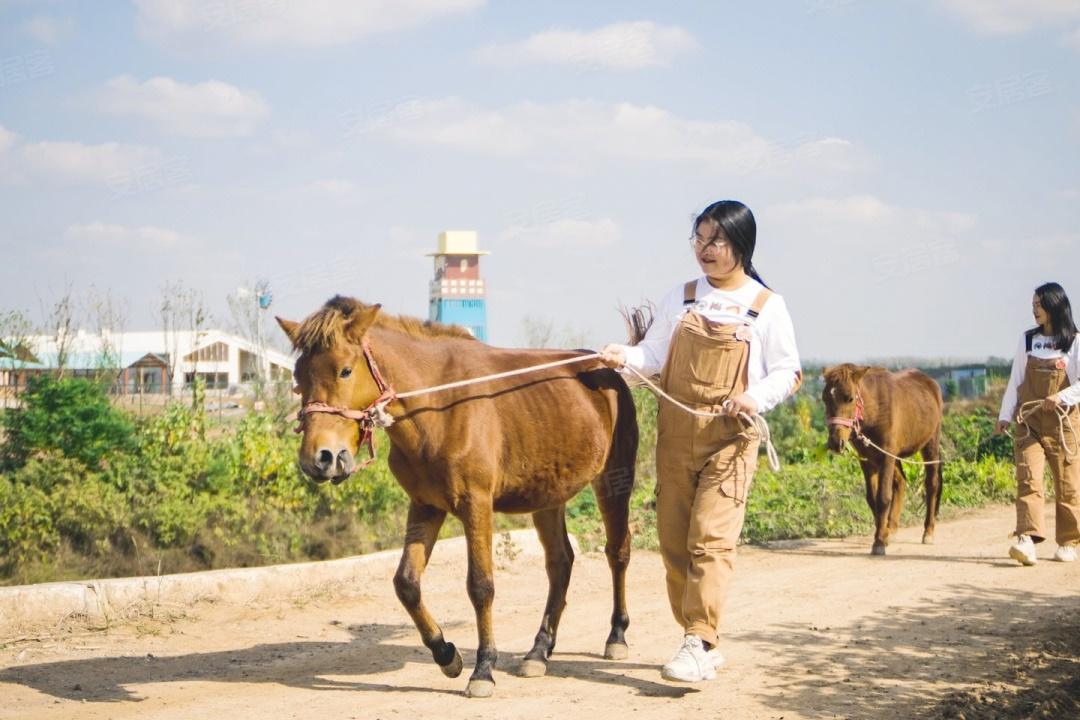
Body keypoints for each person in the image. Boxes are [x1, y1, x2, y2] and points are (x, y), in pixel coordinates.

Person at [599, 200, 801, 683]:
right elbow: (652, 355)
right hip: (675, 436)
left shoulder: (766, 305)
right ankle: (701, 638)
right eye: (700, 239)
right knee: (674, 549)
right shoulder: (683, 296)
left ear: (741, 247)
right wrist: (620, 356)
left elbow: (789, 372)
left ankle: (697, 640)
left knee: (710, 541)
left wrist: (754, 398)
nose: (706, 250)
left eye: (717, 241)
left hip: (730, 440)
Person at [995, 282, 1080, 565]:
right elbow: (1016, 380)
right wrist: (1005, 415)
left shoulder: (1074, 341)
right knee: (1028, 477)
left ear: (1054, 306)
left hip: (1063, 422)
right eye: (1033, 305)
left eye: (1038, 305)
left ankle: (1068, 542)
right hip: (1029, 421)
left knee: (1067, 482)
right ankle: (1027, 540)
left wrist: (1061, 396)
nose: (1034, 311)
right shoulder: (1028, 340)